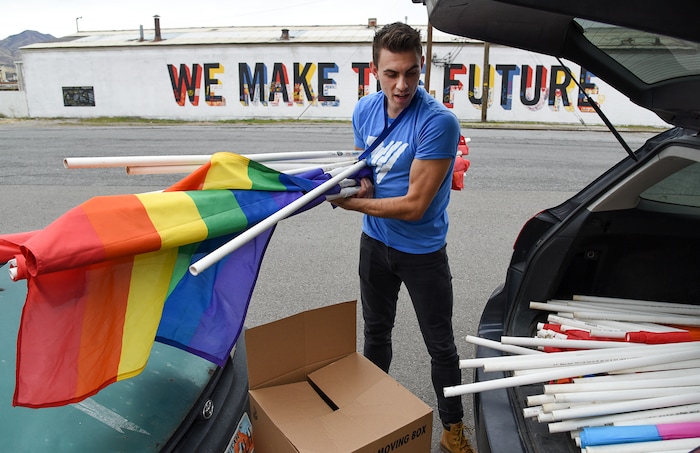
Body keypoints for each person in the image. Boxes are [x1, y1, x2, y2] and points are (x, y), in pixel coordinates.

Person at [331, 22, 474, 453]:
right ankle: (376, 421)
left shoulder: (438, 122)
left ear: (421, 67)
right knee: (375, 335)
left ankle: (452, 430)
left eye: (411, 73)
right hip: (375, 244)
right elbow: (366, 171)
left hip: (422, 251)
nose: (402, 84)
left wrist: (352, 204)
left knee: (440, 345)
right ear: (374, 69)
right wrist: (358, 187)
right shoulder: (364, 111)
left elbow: (414, 207)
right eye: (392, 73)